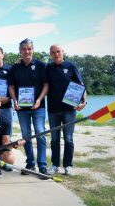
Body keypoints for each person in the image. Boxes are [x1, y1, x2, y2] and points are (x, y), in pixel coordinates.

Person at [8, 38, 48, 175]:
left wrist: (39, 100)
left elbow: (46, 85)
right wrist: (15, 100)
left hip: (39, 107)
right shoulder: (15, 67)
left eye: (29, 48)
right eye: (24, 49)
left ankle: (42, 165)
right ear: (20, 51)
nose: (27, 51)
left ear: (33, 49)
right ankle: (30, 163)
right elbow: (11, 86)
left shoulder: (41, 65)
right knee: (26, 136)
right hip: (21, 109)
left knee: (40, 134)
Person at [46, 44, 86, 176]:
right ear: (50, 54)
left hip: (69, 109)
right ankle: (55, 165)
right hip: (53, 110)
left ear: (63, 52)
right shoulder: (48, 68)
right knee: (54, 139)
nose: (56, 54)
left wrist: (83, 101)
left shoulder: (71, 66)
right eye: (53, 52)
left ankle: (68, 165)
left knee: (68, 139)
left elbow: (81, 85)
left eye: (58, 51)